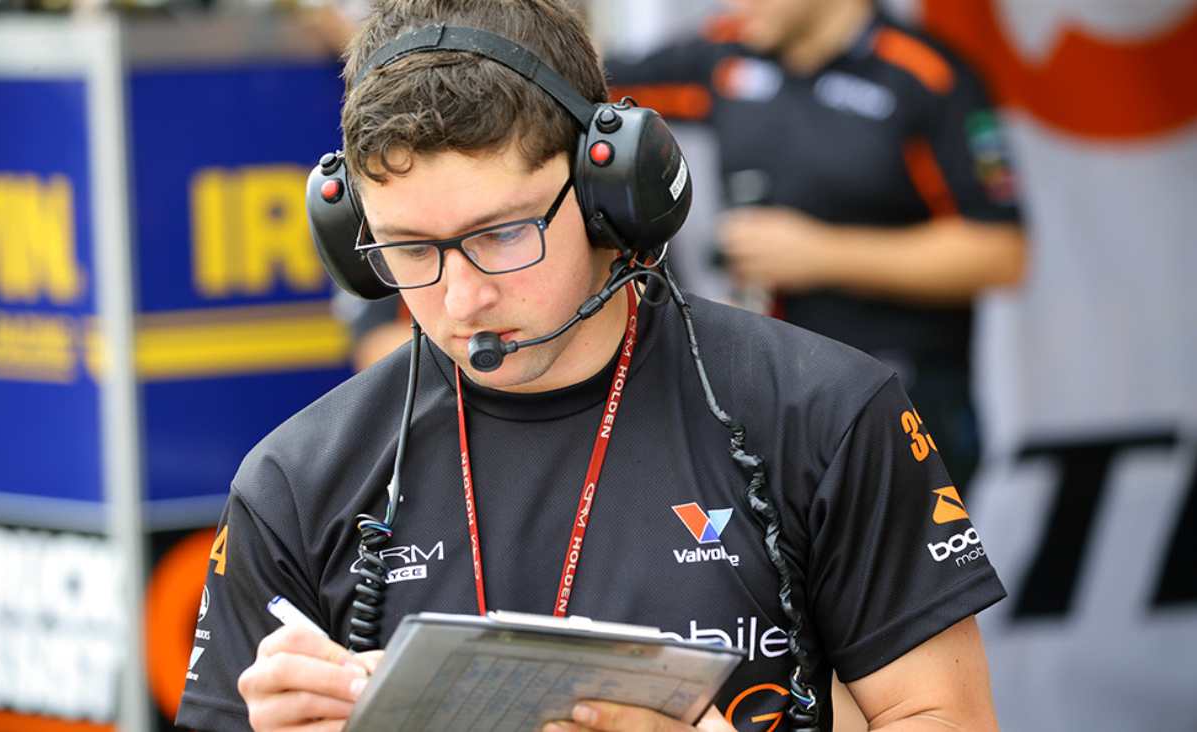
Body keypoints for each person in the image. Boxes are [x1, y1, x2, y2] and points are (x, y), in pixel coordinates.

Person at [176, 1, 1006, 730]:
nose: (462, 298)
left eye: (504, 233)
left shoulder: (827, 414)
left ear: (613, 197)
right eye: (411, 249)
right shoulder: (295, 481)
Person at [605, 0, 1026, 496]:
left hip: (902, 403)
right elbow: (578, 90)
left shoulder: (926, 76)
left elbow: (1001, 251)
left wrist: (822, 255)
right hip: (767, 400)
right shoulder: (728, 52)